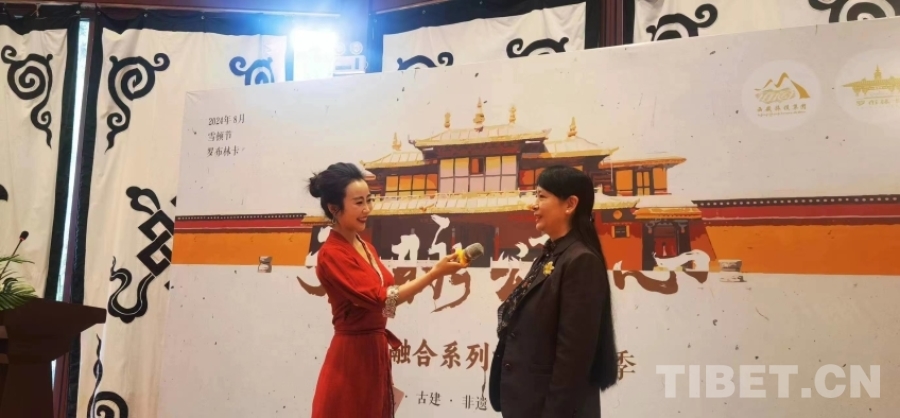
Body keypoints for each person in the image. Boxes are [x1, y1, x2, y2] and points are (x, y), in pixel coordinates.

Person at [306, 162, 464, 418]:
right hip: (351, 357)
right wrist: (435, 273)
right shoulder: (331, 254)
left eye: (369, 200)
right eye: (358, 202)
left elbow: (385, 304)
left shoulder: (365, 246)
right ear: (334, 208)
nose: (367, 209)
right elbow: (382, 299)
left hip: (374, 349)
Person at [489, 165, 618, 418]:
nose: (533, 205)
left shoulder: (581, 261)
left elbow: (573, 360)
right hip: (529, 404)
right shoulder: (552, 254)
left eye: (541, 196)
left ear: (570, 204)